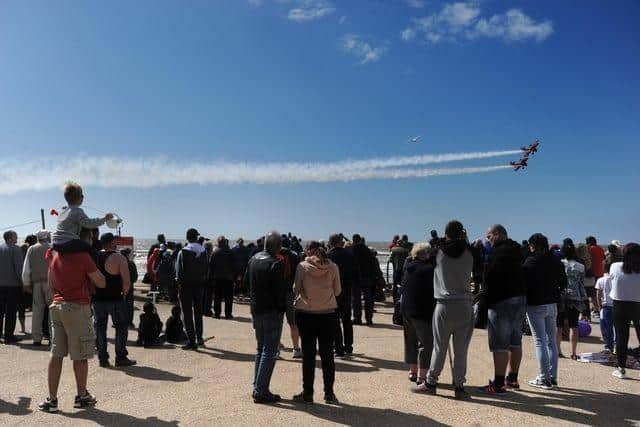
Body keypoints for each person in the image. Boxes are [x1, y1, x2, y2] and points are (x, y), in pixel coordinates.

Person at [39, 228, 106, 413]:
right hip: (78, 307)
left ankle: (51, 400)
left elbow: (51, 282)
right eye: (91, 237)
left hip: (57, 306)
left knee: (56, 353)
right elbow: (101, 282)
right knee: (81, 355)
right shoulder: (83, 256)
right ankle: (82, 396)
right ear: (85, 237)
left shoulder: (53, 253)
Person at [419, 220, 474, 400]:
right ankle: (459, 385)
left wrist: (439, 243)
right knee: (461, 350)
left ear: (446, 233)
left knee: (439, 347)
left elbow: (426, 259)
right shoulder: (470, 251)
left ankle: (431, 381)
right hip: (465, 304)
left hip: (444, 303)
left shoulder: (438, 252)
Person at [292, 241, 341, 404]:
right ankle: (329, 393)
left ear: (310, 252)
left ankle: (308, 392)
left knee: (309, 356)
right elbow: (338, 291)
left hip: (306, 313)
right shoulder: (333, 267)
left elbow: (296, 289)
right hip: (328, 314)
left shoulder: (302, 266)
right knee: (328, 355)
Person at [481, 224, 527, 394]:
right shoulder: (518, 250)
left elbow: (490, 278)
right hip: (520, 298)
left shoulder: (497, 252)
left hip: (501, 301)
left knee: (500, 344)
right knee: (515, 340)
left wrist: (485, 300)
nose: (488, 240)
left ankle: (498, 383)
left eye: (489, 236)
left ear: (497, 234)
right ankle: (512, 379)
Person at [245, 231, 287, 404]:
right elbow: (279, 292)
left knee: (261, 349)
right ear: (277, 247)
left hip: (256, 308)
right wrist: (281, 309)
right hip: (271, 311)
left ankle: (257, 385)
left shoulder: (254, 259)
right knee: (269, 351)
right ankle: (261, 390)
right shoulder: (276, 264)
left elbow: (245, 282)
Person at [523, 233, 567, 389]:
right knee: (551, 342)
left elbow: (524, 283)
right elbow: (563, 282)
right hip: (552, 303)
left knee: (540, 341)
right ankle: (552, 376)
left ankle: (544, 378)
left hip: (536, 304)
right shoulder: (556, 261)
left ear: (533, 245)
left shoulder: (530, 261)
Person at [93, 233, 135, 368]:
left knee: (99, 329)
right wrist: (124, 293)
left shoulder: (95, 256)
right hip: (115, 298)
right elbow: (127, 281)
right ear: (112, 242)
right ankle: (120, 357)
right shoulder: (119, 257)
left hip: (98, 298)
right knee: (121, 327)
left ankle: (103, 359)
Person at [401, 243, 436, 385]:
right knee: (426, 344)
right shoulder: (429, 269)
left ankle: (413, 371)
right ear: (425, 254)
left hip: (407, 309)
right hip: (421, 311)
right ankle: (422, 376)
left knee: (410, 341)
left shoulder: (408, 268)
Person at [51, 182, 113, 254]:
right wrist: (104, 219)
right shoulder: (77, 211)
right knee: (93, 252)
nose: (83, 197)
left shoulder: (63, 211)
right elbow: (88, 223)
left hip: (56, 243)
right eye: (82, 195)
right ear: (79, 198)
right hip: (68, 243)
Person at [610, 243, 640, 379]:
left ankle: (621, 369)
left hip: (619, 304)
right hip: (638, 304)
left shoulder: (615, 266)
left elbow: (612, 280)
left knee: (622, 338)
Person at [175, 228, 208, 350]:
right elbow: (206, 269)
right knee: (198, 312)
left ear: (187, 237)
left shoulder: (183, 252)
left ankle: (191, 340)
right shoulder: (203, 251)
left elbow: (179, 273)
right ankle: (199, 338)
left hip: (186, 286)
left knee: (187, 313)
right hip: (199, 286)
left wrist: (179, 287)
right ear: (196, 237)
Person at [22, 230, 53, 345]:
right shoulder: (52, 247)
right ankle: (52, 337)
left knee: (37, 311)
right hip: (50, 283)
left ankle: (36, 339)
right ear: (47, 237)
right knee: (52, 310)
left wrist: (26, 283)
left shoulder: (31, 249)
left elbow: (26, 269)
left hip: (36, 284)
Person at [558, 241, 587, 360]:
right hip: (575, 297)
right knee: (573, 326)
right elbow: (581, 282)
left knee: (558, 325)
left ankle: (558, 351)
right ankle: (573, 353)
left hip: (561, 296)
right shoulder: (581, 266)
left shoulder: (559, 264)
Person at [328, 233, 355, 358]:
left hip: (333, 290)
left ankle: (338, 348)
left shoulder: (329, 256)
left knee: (335, 320)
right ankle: (348, 347)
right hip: (347, 289)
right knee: (347, 319)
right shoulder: (350, 255)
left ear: (331, 242)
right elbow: (356, 273)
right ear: (341, 242)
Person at [278, 235, 302, 358]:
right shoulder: (295, 256)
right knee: (293, 323)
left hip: (277, 293)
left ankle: (276, 349)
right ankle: (296, 349)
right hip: (291, 293)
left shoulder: (274, 255)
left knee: (277, 322)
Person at [0, 230, 24, 344]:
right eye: (15, 236)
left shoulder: (0, 248)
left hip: (0, 285)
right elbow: (19, 268)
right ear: (10, 238)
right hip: (13, 285)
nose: (17, 237)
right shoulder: (16, 249)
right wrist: (24, 283)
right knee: (11, 312)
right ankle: (9, 336)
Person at [350, 234, 377, 326]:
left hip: (356, 278)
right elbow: (373, 264)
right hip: (367, 278)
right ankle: (369, 319)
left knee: (356, 299)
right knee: (368, 300)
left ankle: (357, 318)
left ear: (353, 240)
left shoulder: (352, 250)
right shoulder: (367, 250)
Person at [210, 236, 237, 319]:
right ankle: (228, 314)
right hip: (228, 278)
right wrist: (234, 276)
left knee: (217, 297)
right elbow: (235, 265)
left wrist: (211, 276)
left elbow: (211, 265)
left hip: (217, 278)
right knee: (228, 297)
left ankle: (217, 313)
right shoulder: (230, 252)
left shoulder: (215, 252)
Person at [595, 261, 614, 353]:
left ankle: (609, 346)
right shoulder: (615, 279)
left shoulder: (600, 280)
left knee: (606, 327)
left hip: (606, 306)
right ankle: (617, 344)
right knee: (617, 327)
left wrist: (599, 307)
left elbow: (598, 295)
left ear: (604, 268)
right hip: (616, 305)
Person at [389, 236, 412, 303]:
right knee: (402, 285)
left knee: (395, 286)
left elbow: (391, 260)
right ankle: (401, 300)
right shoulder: (405, 250)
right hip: (403, 271)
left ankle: (394, 300)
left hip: (396, 270)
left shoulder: (393, 249)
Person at [121, 248, 138, 328]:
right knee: (129, 305)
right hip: (130, 286)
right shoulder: (131, 264)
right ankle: (129, 322)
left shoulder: (118, 263)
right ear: (128, 255)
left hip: (119, 287)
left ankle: (119, 321)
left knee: (120, 305)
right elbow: (135, 278)